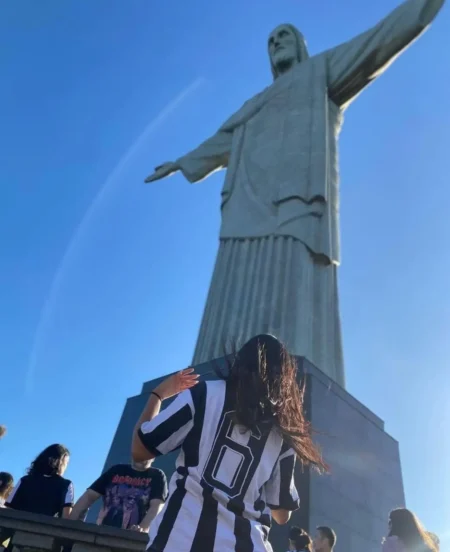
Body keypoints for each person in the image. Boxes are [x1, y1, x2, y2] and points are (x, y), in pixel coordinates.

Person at [132, 334, 327, 552]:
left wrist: (158, 395)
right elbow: (282, 514)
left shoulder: (204, 393)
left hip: (177, 540)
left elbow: (141, 450)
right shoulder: (282, 432)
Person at [70, 460, 168, 532]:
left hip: (131, 541)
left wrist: (142, 529)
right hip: (102, 534)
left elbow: (156, 507)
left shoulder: (157, 476)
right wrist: (68, 524)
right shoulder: (116, 470)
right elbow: (88, 496)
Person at [5, 444, 74, 518]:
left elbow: (8, 509)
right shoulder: (66, 485)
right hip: (49, 528)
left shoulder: (24, 480)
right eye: (66, 463)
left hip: (17, 526)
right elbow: (66, 518)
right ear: (60, 463)